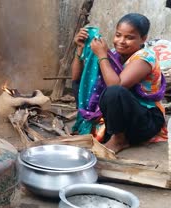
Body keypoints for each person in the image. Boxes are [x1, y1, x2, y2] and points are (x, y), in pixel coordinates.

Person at [71, 13, 166, 153]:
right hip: (123, 117)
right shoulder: (116, 54)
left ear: (143, 39)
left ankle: (119, 139)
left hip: (145, 120)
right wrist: (79, 49)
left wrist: (102, 56)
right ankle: (114, 132)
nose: (121, 41)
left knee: (114, 91)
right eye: (118, 35)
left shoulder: (145, 58)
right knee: (81, 86)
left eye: (129, 37)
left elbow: (117, 86)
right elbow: (76, 78)